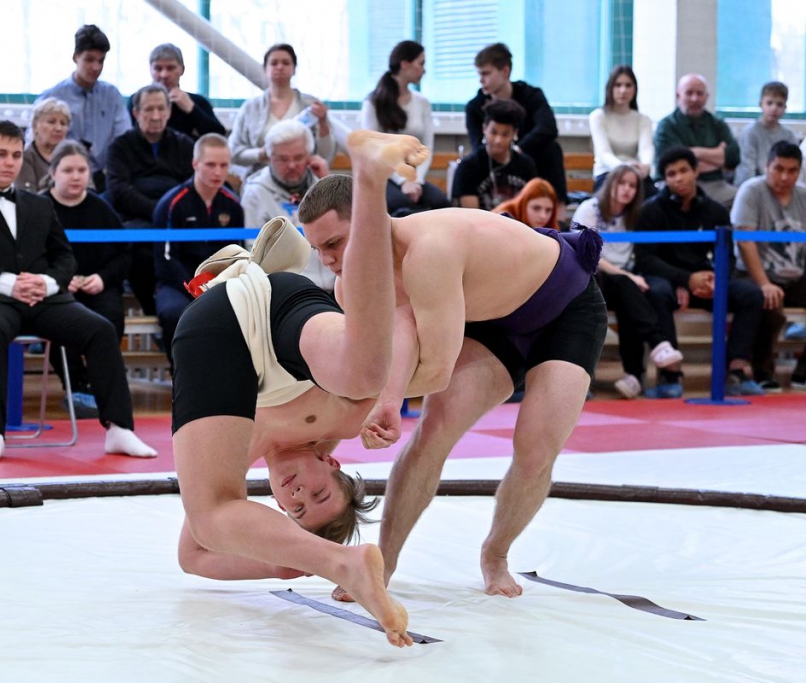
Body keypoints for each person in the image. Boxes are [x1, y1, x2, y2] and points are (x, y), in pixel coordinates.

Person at [299, 163, 607, 601]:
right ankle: (384, 561)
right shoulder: (350, 287)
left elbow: (435, 372)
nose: (328, 261)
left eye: (334, 243)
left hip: (565, 307)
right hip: (487, 320)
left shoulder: (430, 249)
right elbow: (386, 355)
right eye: (317, 249)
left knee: (536, 448)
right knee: (434, 430)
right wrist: (360, 414)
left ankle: (496, 554)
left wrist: (373, 401)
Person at [171, 131, 430, 648]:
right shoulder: (346, 424)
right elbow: (400, 323)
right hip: (275, 305)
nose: (296, 493)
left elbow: (192, 557)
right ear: (331, 464)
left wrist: (283, 560)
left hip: (214, 328)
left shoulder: (238, 449)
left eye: (295, 509)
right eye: (318, 494)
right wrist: (390, 397)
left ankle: (341, 562)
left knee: (210, 518)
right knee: (364, 377)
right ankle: (370, 184)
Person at [0, 120, 155, 463]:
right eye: (1, 154)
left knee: (100, 329)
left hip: (44, 298)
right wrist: (9, 282)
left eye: (16, 155)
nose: (10, 162)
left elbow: (65, 257)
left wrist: (46, 283)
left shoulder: (38, 204)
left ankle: (119, 428)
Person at [635, 146, 764, 397]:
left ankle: (736, 370)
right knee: (656, 292)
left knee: (751, 294)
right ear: (665, 179)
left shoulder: (716, 210)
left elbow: (727, 256)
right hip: (669, 282)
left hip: (706, 283)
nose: (679, 178)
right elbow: (645, 259)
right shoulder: (651, 210)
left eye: (684, 170)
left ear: (696, 171)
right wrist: (684, 280)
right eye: (671, 174)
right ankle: (670, 374)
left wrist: (716, 281)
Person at [572, 165, 683, 398]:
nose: (626, 189)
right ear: (610, 184)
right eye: (621, 183)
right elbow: (587, 255)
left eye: (632, 185)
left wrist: (628, 276)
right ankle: (657, 344)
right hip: (591, 277)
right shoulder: (589, 208)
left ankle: (634, 376)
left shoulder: (636, 214)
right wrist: (626, 275)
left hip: (623, 281)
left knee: (631, 297)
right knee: (626, 285)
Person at [43, 140, 133, 417]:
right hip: (55, 288)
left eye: (82, 170)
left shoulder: (102, 209)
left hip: (97, 285)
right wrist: (58, 279)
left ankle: (100, 384)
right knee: (57, 322)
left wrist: (103, 279)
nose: (76, 176)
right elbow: (27, 255)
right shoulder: (39, 207)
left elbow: (124, 255)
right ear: (53, 173)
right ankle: (76, 385)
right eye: (68, 170)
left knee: (111, 316)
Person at [151, 133, 242, 372]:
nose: (217, 172)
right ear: (195, 164)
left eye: (223, 165)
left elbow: (236, 255)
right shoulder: (172, 203)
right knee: (174, 313)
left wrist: (217, 285)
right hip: (177, 283)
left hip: (219, 283)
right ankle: (181, 374)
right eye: (210, 165)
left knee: (246, 310)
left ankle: (229, 376)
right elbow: (165, 259)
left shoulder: (233, 205)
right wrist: (196, 287)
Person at [106, 83, 195, 315]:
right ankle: (154, 312)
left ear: (169, 112)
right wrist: (159, 211)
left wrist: (169, 213)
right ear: (136, 113)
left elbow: (192, 187)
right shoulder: (120, 146)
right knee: (139, 258)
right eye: (148, 109)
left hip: (177, 224)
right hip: (137, 225)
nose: (155, 116)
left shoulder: (184, 145)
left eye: (161, 109)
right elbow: (119, 191)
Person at [465, 42, 568, 222]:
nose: (481, 80)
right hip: (493, 162)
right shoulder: (475, 106)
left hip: (527, 158)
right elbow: (477, 145)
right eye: (479, 74)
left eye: (486, 74)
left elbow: (548, 128)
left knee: (552, 149)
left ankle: (557, 219)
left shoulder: (531, 95)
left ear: (505, 71)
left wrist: (517, 150)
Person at [732, 141, 806, 390]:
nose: (784, 177)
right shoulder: (751, 191)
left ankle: (803, 372)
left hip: (796, 275)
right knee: (767, 302)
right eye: (779, 169)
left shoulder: (804, 196)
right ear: (767, 166)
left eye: (792, 171)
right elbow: (745, 241)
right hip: (754, 274)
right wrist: (763, 283)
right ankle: (763, 371)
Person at [240, 119, 335, 291]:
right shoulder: (255, 193)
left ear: (309, 157)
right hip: (290, 291)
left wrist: (326, 182)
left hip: (335, 284)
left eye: (299, 157)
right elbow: (254, 254)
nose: (292, 165)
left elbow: (346, 233)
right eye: (283, 159)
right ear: (269, 158)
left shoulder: (322, 183)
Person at [360, 40, 449, 215]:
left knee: (441, 203)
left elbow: (427, 147)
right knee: (401, 206)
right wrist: (402, 180)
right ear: (404, 64)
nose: (424, 70)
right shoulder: (374, 103)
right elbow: (373, 151)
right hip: (385, 175)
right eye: (421, 63)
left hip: (415, 176)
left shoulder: (422, 102)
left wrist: (416, 179)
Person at [38, 24, 131, 192]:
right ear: (75, 57)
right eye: (89, 60)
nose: (96, 67)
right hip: (60, 177)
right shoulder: (52, 98)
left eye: (101, 61)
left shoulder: (112, 96)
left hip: (103, 178)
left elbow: (124, 140)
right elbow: (37, 143)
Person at [228, 43, 335, 179]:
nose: (280, 67)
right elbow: (233, 153)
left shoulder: (311, 105)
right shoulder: (250, 108)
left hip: (303, 181)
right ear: (265, 69)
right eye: (274, 63)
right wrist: (261, 154)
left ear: (294, 69)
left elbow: (326, 154)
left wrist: (323, 123)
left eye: (286, 63)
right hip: (258, 180)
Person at [654, 74, 740, 209]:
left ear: (706, 97)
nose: (695, 99)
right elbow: (668, 164)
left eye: (699, 94)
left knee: (744, 197)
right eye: (689, 93)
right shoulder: (666, 126)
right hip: (676, 185)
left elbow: (733, 158)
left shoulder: (717, 124)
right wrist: (717, 156)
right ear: (678, 96)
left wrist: (695, 153)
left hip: (715, 184)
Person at [452, 98, 536, 211]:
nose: (498, 140)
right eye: (493, 132)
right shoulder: (468, 167)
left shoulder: (526, 165)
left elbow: (532, 207)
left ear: (514, 134)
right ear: (484, 129)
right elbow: (471, 215)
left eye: (505, 134)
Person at [588, 65, 655, 196]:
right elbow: (604, 153)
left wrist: (645, 166)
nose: (623, 90)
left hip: (636, 174)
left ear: (635, 89)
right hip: (607, 174)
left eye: (628, 85)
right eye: (617, 85)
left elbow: (646, 148)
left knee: (654, 200)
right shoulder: (598, 116)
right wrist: (625, 169)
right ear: (610, 88)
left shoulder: (643, 119)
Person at [144, 43, 225, 140]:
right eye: (158, 68)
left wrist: (192, 109)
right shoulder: (137, 101)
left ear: (182, 70)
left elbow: (219, 138)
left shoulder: (198, 101)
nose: (164, 75)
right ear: (150, 70)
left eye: (170, 68)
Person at [734, 82, 797, 187]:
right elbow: (747, 169)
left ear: (785, 107)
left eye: (779, 104)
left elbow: (794, 166)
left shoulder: (789, 135)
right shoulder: (750, 133)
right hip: (755, 186)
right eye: (769, 103)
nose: (774, 108)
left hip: (782, 186)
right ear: (761, 104)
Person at [16, 97, 70, 193]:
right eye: (51, 122)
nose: (58, 128)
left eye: (63, 123)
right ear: (35, 125)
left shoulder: (73, 156)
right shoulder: (25, 157)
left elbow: (89, 191)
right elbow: (27, 196)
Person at [492, 178, 558, 229]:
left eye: (548, 210)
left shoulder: (551, 226)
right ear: (523, 203)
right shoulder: (504, 217)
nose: (543, 216)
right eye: (536, 208)